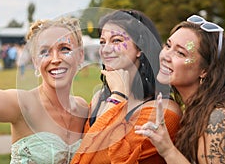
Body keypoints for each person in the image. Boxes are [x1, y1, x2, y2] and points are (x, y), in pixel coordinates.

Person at [0, 0, 89, 163]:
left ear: (80, 56)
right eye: (45, 52)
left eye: (65, 49)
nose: (55, 59)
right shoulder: (24, 104)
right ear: (35, 61)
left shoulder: (83, 108)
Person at [71, 9, 182, 164]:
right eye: (102, 42)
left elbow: (91, 159)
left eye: (116, 40)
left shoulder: (163, 110)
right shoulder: (99, 99)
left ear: (140, 48)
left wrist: (118, 98)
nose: (106, 49)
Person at [135, 14, 225, 164]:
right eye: (168, 45)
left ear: (205, 70)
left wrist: (168, 150)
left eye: (180, 53)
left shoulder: (219, 119)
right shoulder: (195, 111)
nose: (166, 55)